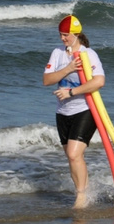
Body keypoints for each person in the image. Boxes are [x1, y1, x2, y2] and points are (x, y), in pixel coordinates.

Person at [43, 15, 105, 209]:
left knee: (73, 154)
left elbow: (99, 81)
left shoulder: (89, 54)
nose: (63, 39)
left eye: (66, 35)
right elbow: (47, 80)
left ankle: (81, 197)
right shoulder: (57, 53)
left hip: (85, 110)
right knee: (72, 158)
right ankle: (85, 191)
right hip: (62, 112)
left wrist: (71, 92)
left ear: (76, 34)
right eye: (61, 35)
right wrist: (68, 69)